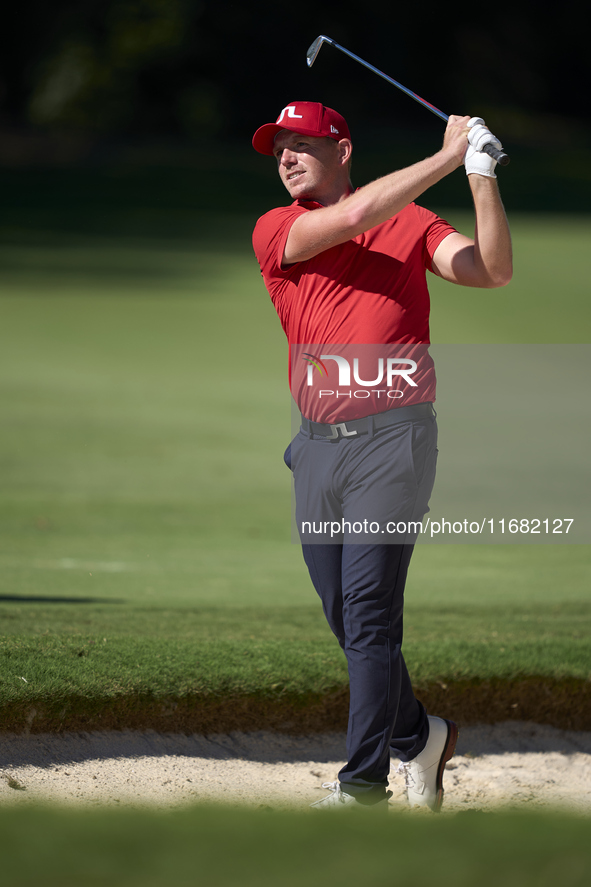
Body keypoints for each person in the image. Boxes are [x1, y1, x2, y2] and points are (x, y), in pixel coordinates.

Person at [251, 101, 512, 810]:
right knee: (346, 618)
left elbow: (490, 270)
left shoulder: (411, 222)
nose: (287, 157)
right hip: (314, 449)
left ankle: (361, 785)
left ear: (343, 149)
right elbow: (347, 220)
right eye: (280, 148)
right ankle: (419, 736)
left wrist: (480, 173)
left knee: (368, 615)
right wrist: (445, 157)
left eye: (303, 144)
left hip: (393, 442)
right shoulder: (279, 228)